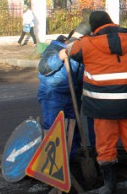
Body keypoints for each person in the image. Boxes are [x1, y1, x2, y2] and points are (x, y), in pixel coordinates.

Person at [58, 11, 127, 194]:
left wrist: (74, 40)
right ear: (111, 22)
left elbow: (68, 49)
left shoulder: (86, 44)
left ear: (94, 27)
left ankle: (110, 191)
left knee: (105, 148)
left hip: (101, 109)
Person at [37, 29, 94, 159]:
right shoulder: (55, 48)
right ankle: (52, 160)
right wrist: (59, 57)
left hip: (72, 94)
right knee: (53, 127)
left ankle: (71, 157)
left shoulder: (80, 53)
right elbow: (44, 68)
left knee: (72, 127)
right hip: (53, 94)